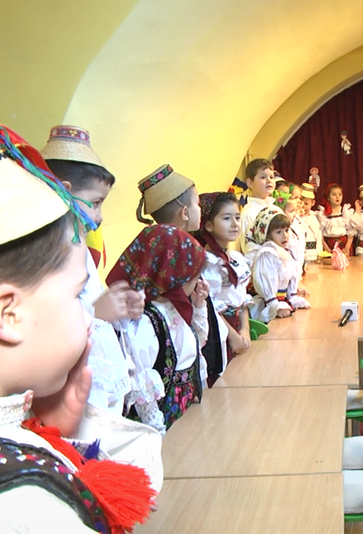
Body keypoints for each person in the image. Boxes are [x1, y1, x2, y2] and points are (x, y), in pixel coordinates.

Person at [0, 125, 158, 532]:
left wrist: (52, 431)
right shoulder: (25, 501)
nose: (87, 316)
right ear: (8, 314)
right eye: (76, 296)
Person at [42, 125, 144, 415]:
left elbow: (93, 302)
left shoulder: (80, 248)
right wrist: (95, 313)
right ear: (65, 191)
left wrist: (121, 308)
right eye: (96, 203)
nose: (99, 217)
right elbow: (45, 322)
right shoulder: (41, 254)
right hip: (67, 392)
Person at [107, 225, 210, 433]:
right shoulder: (145, 323)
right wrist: (156, 431)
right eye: (194, 276)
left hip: (188, 416)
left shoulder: (175, 308)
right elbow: (143, 390)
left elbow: (198, 343)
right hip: (167, 425)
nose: (199, 281)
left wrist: (199, 306)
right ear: (175, 276)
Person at [195, 192, 252, 374]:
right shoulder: (206, 263)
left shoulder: (234, 259)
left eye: (237, 217)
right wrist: (232, 336)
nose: (235, 224)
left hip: (238, 331)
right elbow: (209, 306)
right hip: (218, 333)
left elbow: (241, 298)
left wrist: (245, 329)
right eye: (227, 218)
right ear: (209, 225)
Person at [249, 209, 311, 322]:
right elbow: (266, 280)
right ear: (267, 235)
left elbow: (291, 276)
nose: (285, 235)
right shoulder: (268, 254)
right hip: (268, 305)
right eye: (278, 232)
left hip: (282, 302)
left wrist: (292, 298)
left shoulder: (284, 252)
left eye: (287, 230)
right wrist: (274, 306)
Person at [136, 164, 201, 233]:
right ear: (185, 213)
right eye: (197, 203)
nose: (200, 208)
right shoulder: (184, 240)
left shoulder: (152, 238)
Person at [239, 158, 283, 258]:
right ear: (250, 183)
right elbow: (248, 248)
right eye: (263, 177)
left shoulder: (276, 209)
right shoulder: (248, 213)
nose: (269, 181)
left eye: (271, 177)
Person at [317, 183, 354, 255]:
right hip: (328, 246)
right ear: (328, 197)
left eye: (340, 194)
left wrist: (347, 247)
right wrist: (325, 246)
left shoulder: (345, 212)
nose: (337, 197)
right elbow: (319, 233)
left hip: (343, 246)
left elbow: (351, 232)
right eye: (334, 194)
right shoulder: (323, 214)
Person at [298, 183, 322, 262]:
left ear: (313, 203)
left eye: (306, 204)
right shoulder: (297, 218)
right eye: (301, 203)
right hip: (302, 255)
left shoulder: (314, 217)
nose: (303, 206)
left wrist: (319, 253)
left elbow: (318, 236)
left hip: (314, 254)